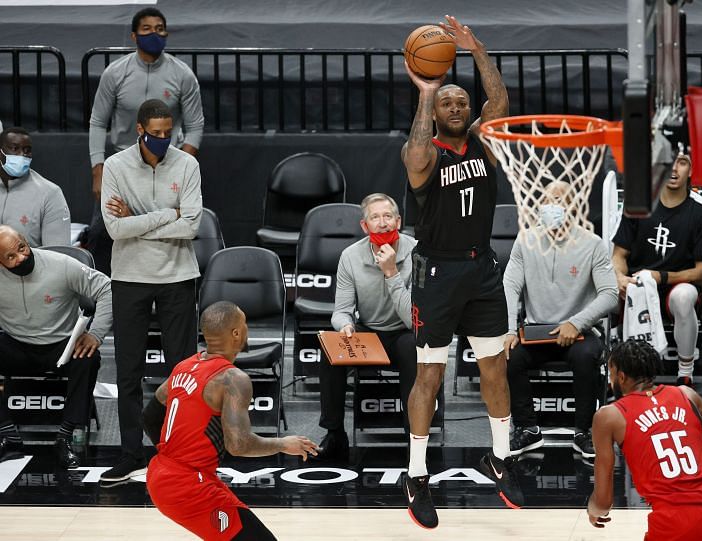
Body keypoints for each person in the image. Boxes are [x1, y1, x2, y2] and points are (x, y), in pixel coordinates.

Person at [401, 14, 521, 529]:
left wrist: (477, 50)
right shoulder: (421, 154)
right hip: (438, 274)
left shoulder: (483, 142)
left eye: (460, 101)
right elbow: (418, 150)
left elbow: (501, 103)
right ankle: (416, 474)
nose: (456, 106)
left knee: (495, 367)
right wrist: (427, 91)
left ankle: (500, 457)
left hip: (482, 271)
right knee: (430, 373)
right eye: (447, 102)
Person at [144, 301, 318, 540]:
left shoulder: (183, 367)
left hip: (162, 473)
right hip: (187, 486)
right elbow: (238, 445)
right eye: (244, 324)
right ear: (236, 333)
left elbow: (150, 417)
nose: (248, 329)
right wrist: (284, 444)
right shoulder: (232, 378)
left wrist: (173, 456)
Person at [100, 98, 202, 483]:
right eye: (155, 133)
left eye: (168, 133)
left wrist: (138, 218)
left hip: (177, 275)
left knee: (183, 372)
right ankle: (131, 453)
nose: (163, 139)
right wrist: (165, 216)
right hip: (130, 277)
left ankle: (181, 450)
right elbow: (115, 229)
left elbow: (191, 226)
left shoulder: (187, 164)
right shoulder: (115, 166)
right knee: (129, 371)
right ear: (139, 130)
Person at [588, 339, 702, 540]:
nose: (610, 380)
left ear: (622, 377)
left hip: (672, 523)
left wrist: (593, 511)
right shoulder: (686, 394)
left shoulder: (608, 416)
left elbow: (603, 503)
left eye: (611, 373)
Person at [503, 181, 618, 459]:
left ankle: (584, 432)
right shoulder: (525, 241)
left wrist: (576, 322)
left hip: (578, 332)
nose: (551, 205)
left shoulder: (593, 244)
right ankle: (528, 429)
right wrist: (508, 331)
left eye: (559, 199)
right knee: (510, 355)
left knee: (587, 356)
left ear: (575, 207)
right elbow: (509, 285)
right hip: (537, 330)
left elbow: (610, 294)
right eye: (546, 200)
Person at [87, 7, 204, 275]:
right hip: (121, 168)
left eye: (160, 28)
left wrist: (181, 161)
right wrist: (98, 168)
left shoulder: (182, 74)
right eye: (147, 29)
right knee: (102, 233)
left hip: (165, 163)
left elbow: (195, 124)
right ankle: (107, 295)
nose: (155, 33)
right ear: (133, 36)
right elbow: (97, 122)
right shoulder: (115, 73)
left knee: (171, 230)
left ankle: (164, 289)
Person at [315, 193, 417, 461]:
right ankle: (335, 434)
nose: (382, 223)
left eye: (388, 216)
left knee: (412, 348)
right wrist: (346, 326)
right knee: (330, 348)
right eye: (375, 217)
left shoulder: (418, 253)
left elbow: (412, 319)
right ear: (365, 226)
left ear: (399, 221)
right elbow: (341, 311)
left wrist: (391, 272)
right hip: (368, 330)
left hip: (405, 332)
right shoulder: (350, 256)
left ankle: (415, 439)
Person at [0, 226, 112, 468]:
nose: (21, 257)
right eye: (10, 257)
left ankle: (66, 437)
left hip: (61, 346)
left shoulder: (61, 265)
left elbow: (107, 288)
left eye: (22, 247)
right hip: (16, 344)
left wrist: (96, 334)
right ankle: (7, 435)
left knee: (89, 358)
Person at [612, 153, 702, 386]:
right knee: (603, 289)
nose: (674, 169)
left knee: (684, 296)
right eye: (669, 162)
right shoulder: (638, 204)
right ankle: (617, 370)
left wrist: (662, 277)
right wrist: (619, 277)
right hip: (637, 286)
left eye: (682, 162)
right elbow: (618, 255)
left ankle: (685, 372)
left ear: (692, 169)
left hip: (675, 286)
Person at [0, 127, 70, 248]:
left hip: (28, 265)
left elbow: (58, 254)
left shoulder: (50, 194)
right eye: (15, 149)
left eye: (27, 150)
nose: (22, 155)